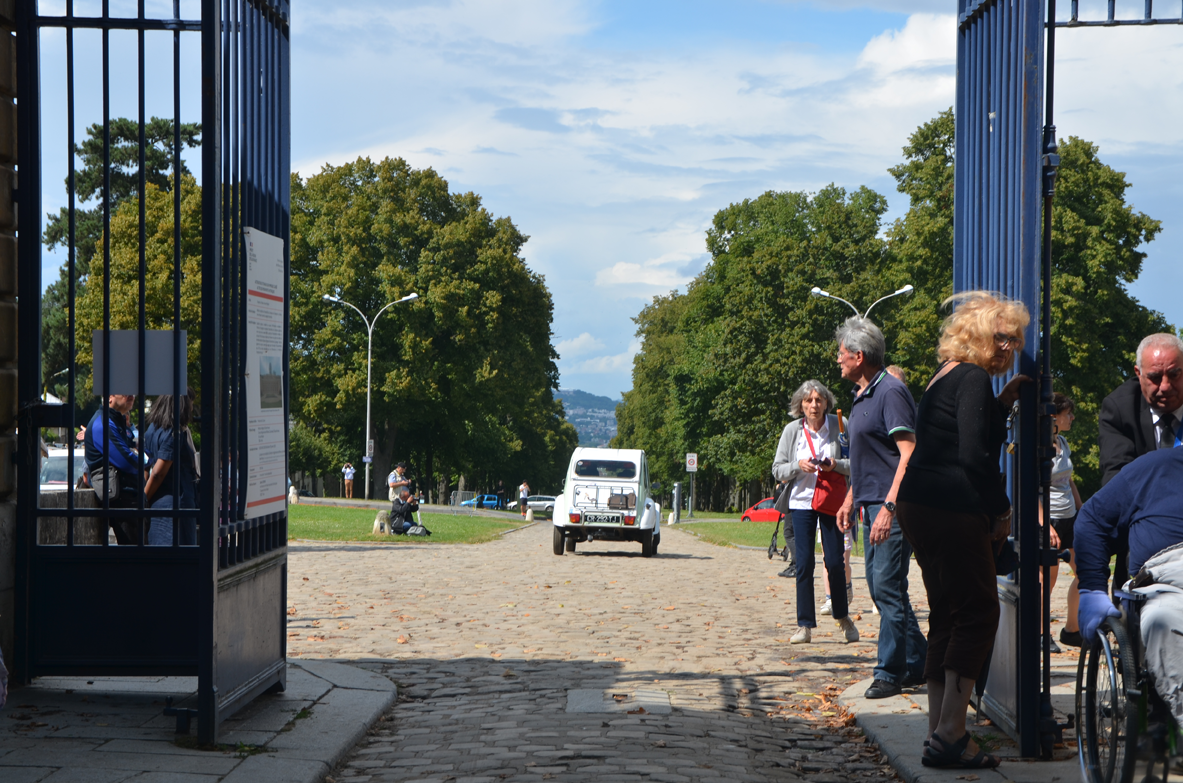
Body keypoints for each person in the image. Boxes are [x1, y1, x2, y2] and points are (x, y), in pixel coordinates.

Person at [896, 291, 1029, 770]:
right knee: (978, 613)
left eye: (1013, 340)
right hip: (950, 508)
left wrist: (1002, 401)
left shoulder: (945, 376)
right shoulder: (971, 377)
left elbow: (960, 433)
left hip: (921, 505)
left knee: (948, 616)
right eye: (1002, 338)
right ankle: (952, 733)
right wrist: (1003, 508)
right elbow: (973, 456)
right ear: (976, 334)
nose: (1009, 348)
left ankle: (938, 732)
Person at [834, 316, 926, 699]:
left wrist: (889, 506)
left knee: (888, 587)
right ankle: (920, 659)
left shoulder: (890, 392)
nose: (837, 360)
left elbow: (909, 452)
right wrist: (850, 497)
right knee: (879, 587)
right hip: (868, 505)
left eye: (841, 353)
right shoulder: (862, 394)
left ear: (858, 355)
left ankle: (889, 672)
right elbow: (864, 457)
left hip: (894, 507)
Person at [1075, 446, 1183, 725]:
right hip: (1168, 578)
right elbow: (1093, 519)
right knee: (1163, 620)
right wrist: (1092, 590)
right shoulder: (1152, 469)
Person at [772, 380, 858, 645]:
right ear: (801, 405)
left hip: (832, 502)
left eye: (819, 400)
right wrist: (798, 466)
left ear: (826, 403)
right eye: (808, 401)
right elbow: (777, 469)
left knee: (835, 562)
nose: (814, 405)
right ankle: (804, 625)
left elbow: (856, 463)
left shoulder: (839, 425)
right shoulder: (791, 431)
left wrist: (836, 465)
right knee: (805, 564)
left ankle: (843, 618)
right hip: (801, 504)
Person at [1098, 333, 1183, 593]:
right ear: (1138, 373)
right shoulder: (1119, 409)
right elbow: (1118, 483)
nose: (1165, 386)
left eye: (1175, 374)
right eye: (1155, 378)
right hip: (1144, 539)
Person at [1043, 393, 1084, 650]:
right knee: (1047, 582)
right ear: (1053, 417)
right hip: (1051, 520)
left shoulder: (1063, 442)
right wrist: (1045, 524)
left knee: (1086, 572)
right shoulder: (1041, 447)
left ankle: (1072, 629)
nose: (1072, 417)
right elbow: (1034, 487)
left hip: (1070, 518)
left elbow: (1068, 480)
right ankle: (1040, 634)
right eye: (1067, 413)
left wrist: (1082, 510)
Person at [84, 393, 143, 544]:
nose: (132, 395)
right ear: (109, 397)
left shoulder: (115, 420)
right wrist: (145, 461)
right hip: (123, 500)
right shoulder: (103, 423)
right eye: (124, 390)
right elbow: (127, 460)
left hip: (129, 498)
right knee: (134, 559)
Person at [143, 391, 199, 546]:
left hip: (157, 503)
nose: (192, 408)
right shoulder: (175, 432)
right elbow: (158, 473)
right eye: (190, 404)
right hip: (175, 503)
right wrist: (143, 500)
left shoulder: (151, 429)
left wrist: (145, 496)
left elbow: (145, 466)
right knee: (180, 557)